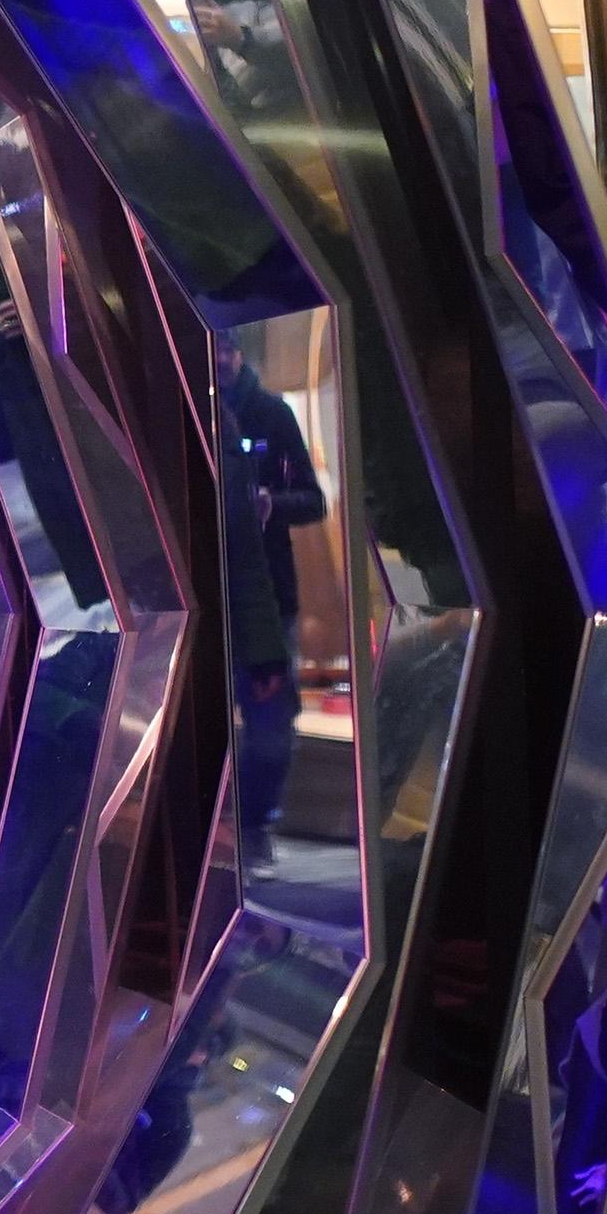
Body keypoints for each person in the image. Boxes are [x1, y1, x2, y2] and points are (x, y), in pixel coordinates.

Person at [219, 342, 329, 870]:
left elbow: (313, 500)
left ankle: (255, 825)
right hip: (210, 593)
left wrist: (270, 504)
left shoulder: (271, 414)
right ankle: (223, 832)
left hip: (269, 593)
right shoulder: (186, 406)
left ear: (234, 352)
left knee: (269, 726)